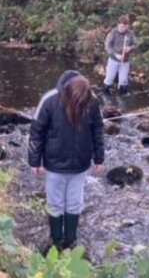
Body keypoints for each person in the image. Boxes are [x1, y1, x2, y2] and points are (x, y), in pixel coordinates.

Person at [29, 70, 104, 252]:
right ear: (69, 94)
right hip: (54, 164)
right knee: (55, 203)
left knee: (74, 202)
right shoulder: (49, 100)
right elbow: (36, 131)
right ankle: (55, 240)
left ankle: (70, 240)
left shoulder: (91, 100)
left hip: (80, 165)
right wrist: (34, 161)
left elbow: (98, 130)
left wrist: (99, 158)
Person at [103, 15, 137, 95]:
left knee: (123, 81)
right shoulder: (113, 33)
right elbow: (107, 46)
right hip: (113, 60)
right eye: (122, 27)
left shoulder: (130, 33)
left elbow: (136, 44)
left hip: (125, 61)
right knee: (109, 79)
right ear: (118, 24)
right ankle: (107, 101)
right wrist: (115, 55)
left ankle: (122, 103)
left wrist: (130, 48)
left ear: (128, 26)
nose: (123, 29)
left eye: (125, 27)